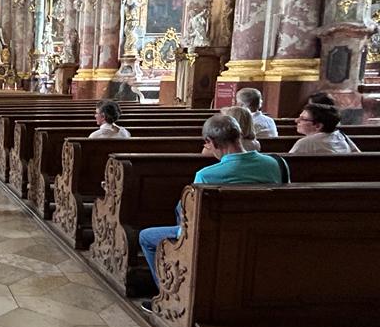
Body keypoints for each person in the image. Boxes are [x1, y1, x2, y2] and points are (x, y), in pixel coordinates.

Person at [138, 115, 282, 311]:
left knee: (146, 236)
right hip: (262, 234)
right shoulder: (276, 164)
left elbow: (191, 220)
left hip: (212, 238)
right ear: (239, 135)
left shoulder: (207, 175)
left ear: (209, 142)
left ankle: (168, 296)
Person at [290, 102, 360, 154]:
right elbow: (358, 156)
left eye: (303, 119)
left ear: (318, 126)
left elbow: (286, 165)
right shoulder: (340, 135)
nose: (296, 120)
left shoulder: (305, 143)